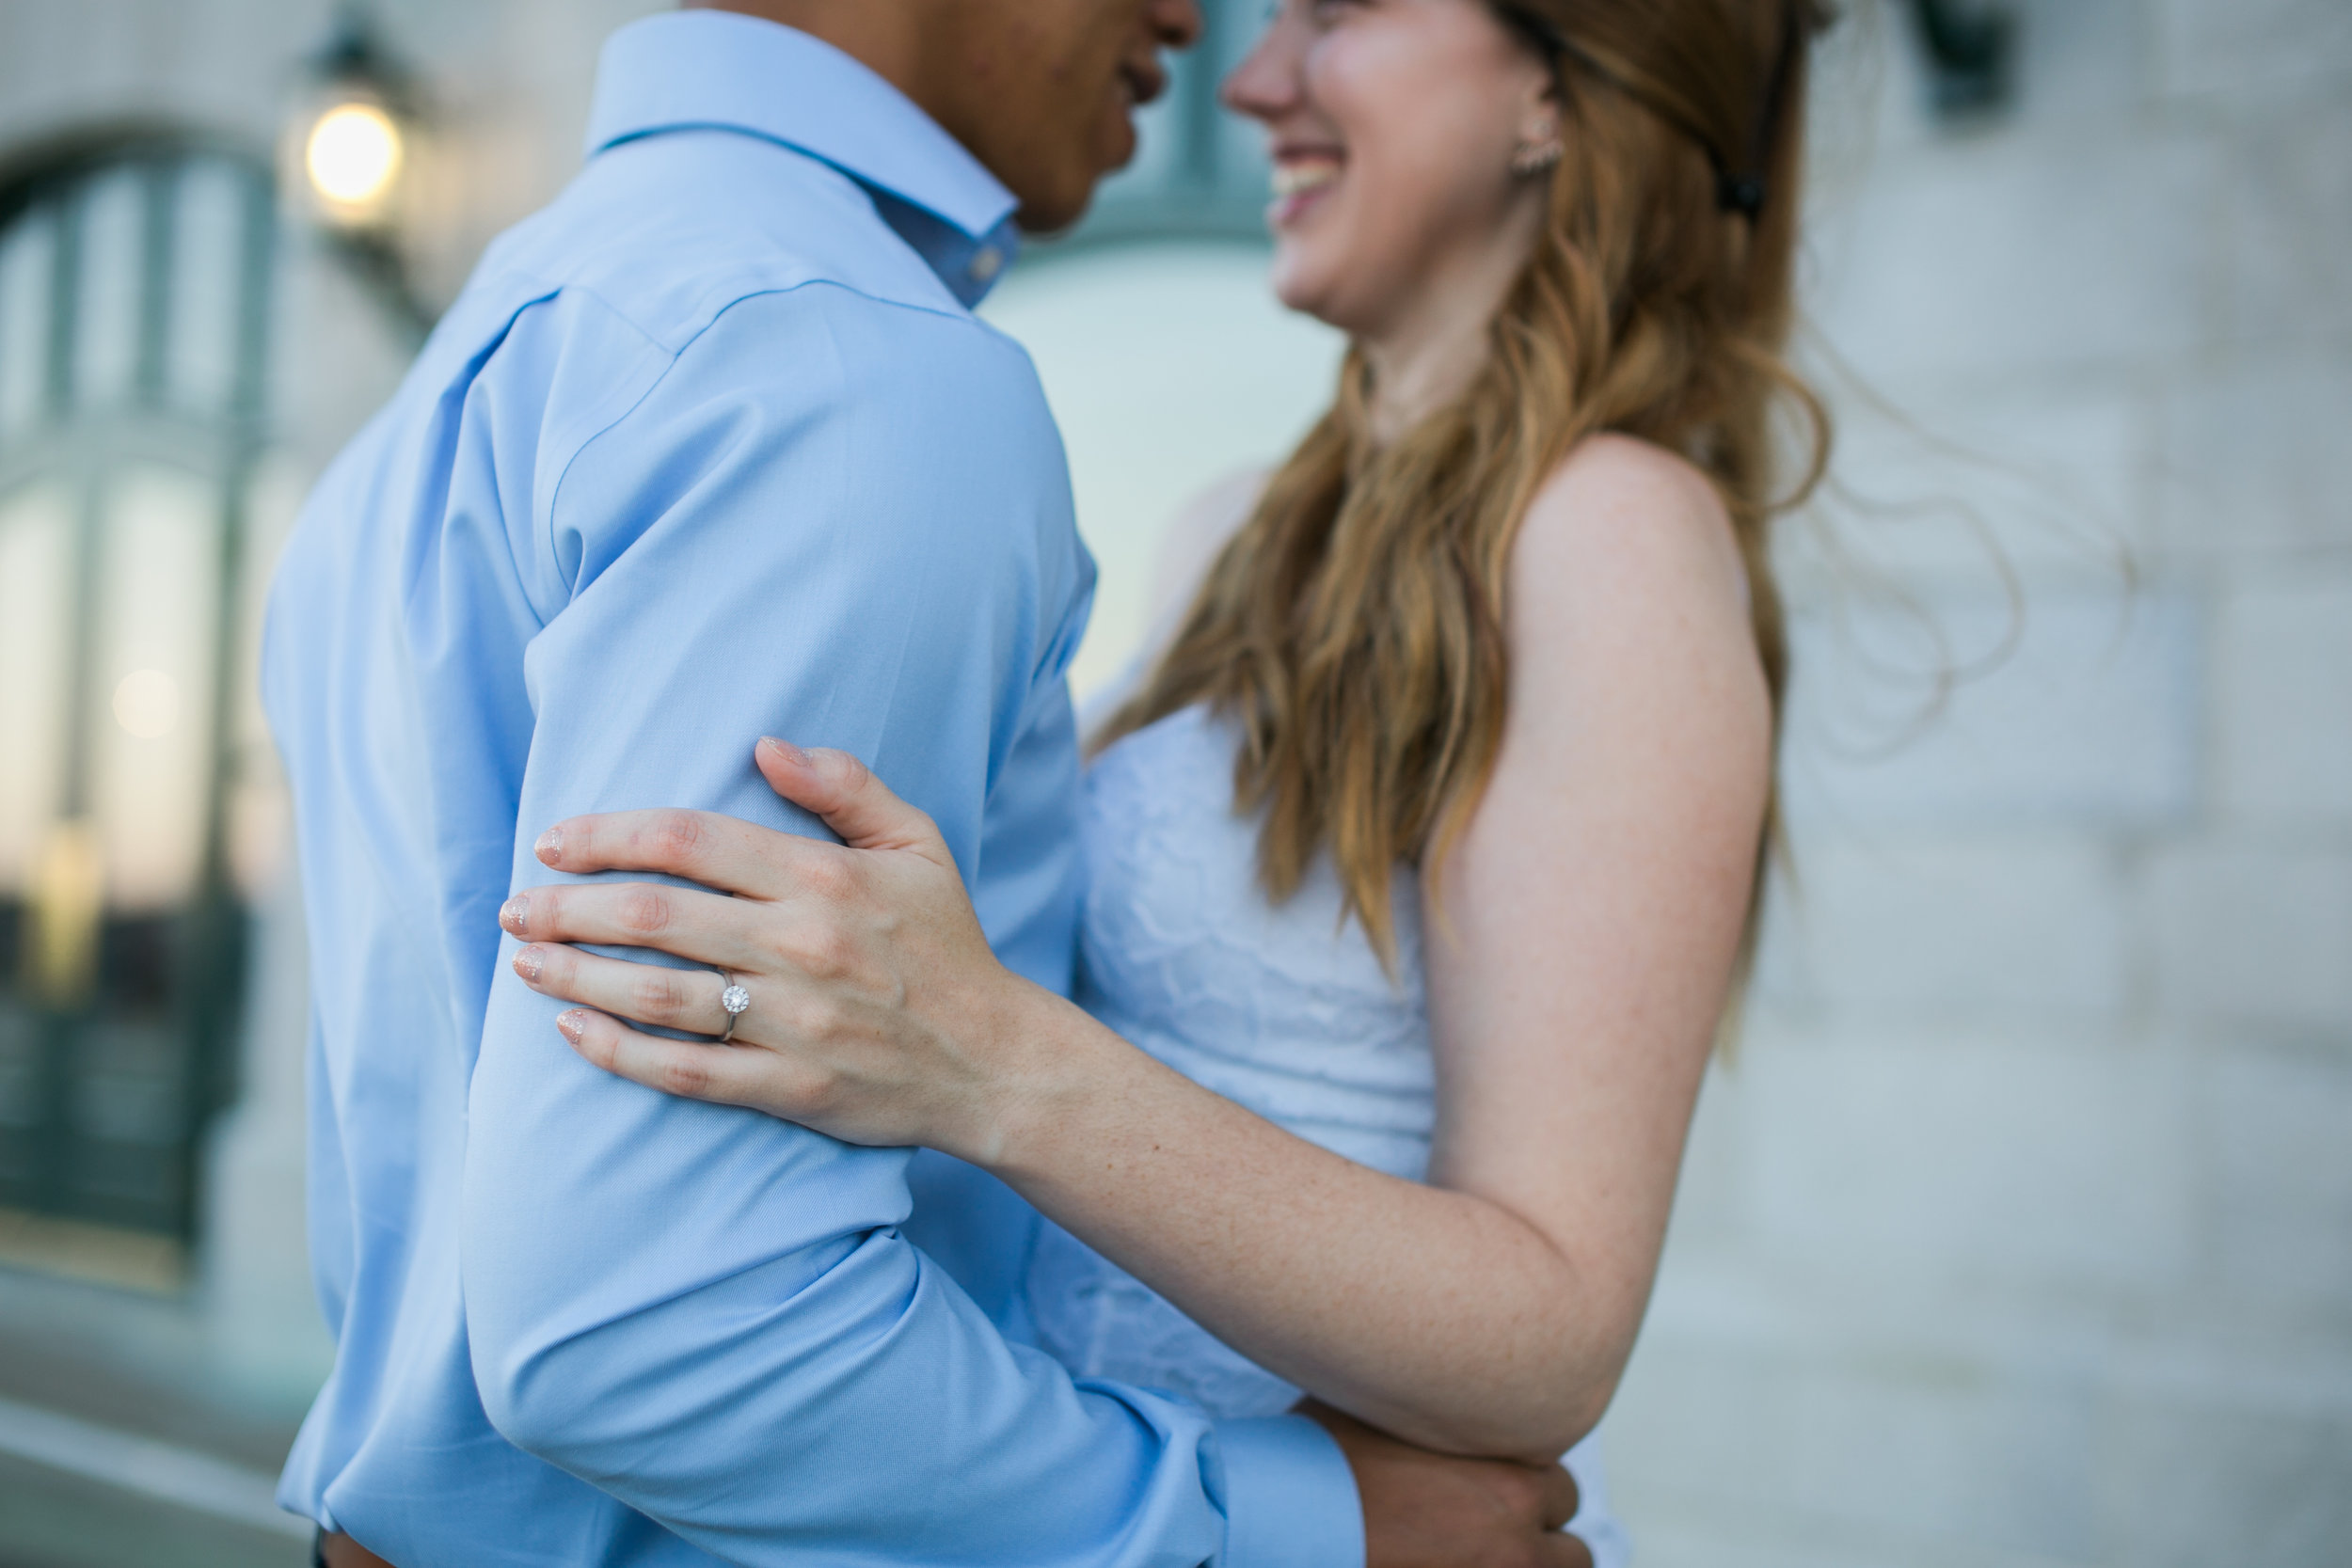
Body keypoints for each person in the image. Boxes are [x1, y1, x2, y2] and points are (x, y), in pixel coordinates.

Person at [496, 0, 1834, 1562]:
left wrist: (988, 1055)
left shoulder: (1615, 537)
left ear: (1556, 75)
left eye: (1336, 14)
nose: (1256, 81)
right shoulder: (1229, 528)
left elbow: (1554, 1334)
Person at [262, 0, 1592, 1563]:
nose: (1203, 25)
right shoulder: (839, 363)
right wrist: (1296, 1528)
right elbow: (665, 1323)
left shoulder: (515, 326)